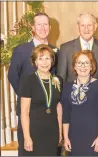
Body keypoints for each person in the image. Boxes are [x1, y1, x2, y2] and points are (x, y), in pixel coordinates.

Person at [8, 12, 59, 155]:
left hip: (49, 114)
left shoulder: (56, 51)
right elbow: (12, 76)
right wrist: (28, 96)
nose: (43, 28)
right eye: (39, 24)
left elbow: (56, 79)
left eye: (45, 24)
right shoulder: (21, 50)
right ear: (33, 28)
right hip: (29, 112)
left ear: (49, 27)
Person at [61, 50, 98, 156]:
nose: (82, 66)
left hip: (94, 137)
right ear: (74, 66)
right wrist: (66, 138)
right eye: (79, 63)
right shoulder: (67, 87)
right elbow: (66, 116)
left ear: (92, 66)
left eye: (86, 63)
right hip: (74, 138)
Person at [19, 44, 62, 156]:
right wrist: (27, 137)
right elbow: (24, 112)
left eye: (47, 58)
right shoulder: (28, 80)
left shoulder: (58, 80)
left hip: (52, 130)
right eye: (40, 58)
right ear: (35, 62)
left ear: (52, 60)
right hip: (34, 131)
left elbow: (58, 107)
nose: (44, 62)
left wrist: (60, 132)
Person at [57, 12, 98, 85]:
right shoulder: (65, 49)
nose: (86, 29)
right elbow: (61, 80)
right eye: (83, 25)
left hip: (97, 95)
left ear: (95, 26)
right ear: (78, 27)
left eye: (89, 25)